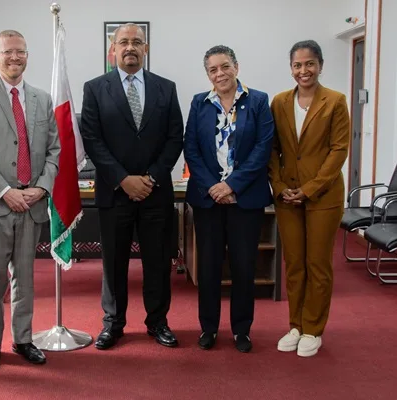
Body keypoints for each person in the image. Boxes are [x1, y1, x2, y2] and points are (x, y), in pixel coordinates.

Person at [81, 23, 184, 350]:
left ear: (146, 48)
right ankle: (113, 323)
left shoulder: (166, 89)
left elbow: (174, 138)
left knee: (157, 261)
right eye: (123, 42)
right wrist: (123, 179)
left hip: (156, 193)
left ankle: (158, 323)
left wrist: (150, 177)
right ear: (113, 49)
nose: (130, 47)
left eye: (136, 42)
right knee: (113, 263)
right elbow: (92, 140)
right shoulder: (95, 88)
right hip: (115, 192)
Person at [0, 30, 60, 370]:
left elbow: (53, 151)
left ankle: (23, 339)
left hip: (32, 203)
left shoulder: (41, 99)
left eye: (20, 52)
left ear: (27, 56)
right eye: (7, 52)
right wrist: (6, 191)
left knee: (25, 276)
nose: (14, 58)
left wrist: (42, 188)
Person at [183, 45, 274, 353]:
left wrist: (232, 185)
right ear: (207, 74)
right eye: (212, 69)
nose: (219, 74)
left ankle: (241, 330)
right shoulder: (199, 103)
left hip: (245, 199)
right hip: (208, 201)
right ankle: (208, 328)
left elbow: (263, 148)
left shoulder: (258, 101)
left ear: (236, 66)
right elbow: (191, 149)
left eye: (224, 67)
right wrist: (212, 186)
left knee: (243, 266)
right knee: (208, 267)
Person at [268, 40, 350, 357]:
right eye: (298, 65)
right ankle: (296, 325)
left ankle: (314, 329)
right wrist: (277, 184)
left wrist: (311, 188)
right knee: (294, 264)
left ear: (320, 65)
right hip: (287, 195)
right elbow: (272, 150)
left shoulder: (335, 101)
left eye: (310, 64)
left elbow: (338, 150)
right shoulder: (279, 102)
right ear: (291, 68)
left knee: (318, 264)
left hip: (323, 197)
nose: (304, 70)